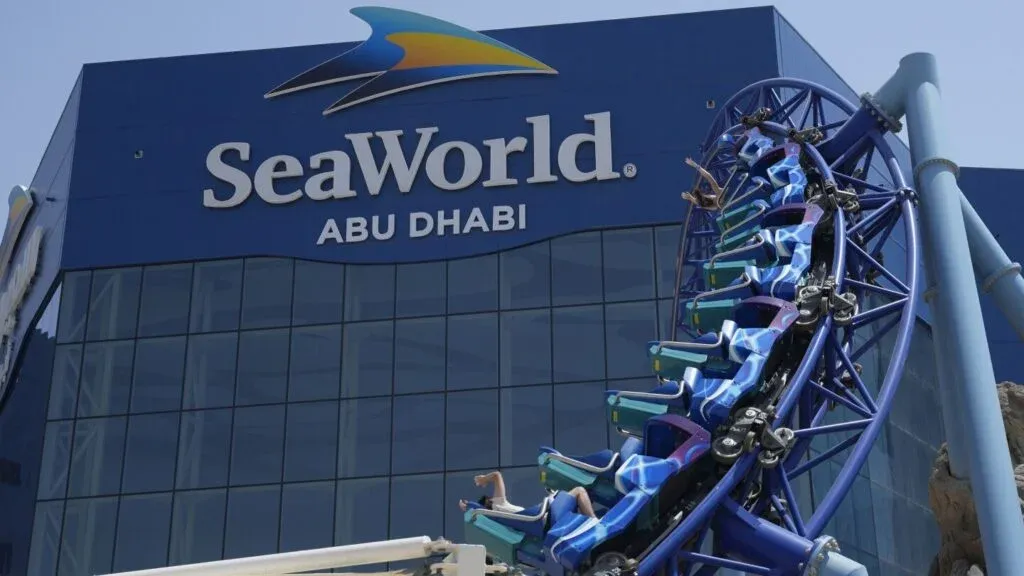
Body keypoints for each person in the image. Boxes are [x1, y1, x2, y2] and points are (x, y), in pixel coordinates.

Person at [459, 470, 597, 518]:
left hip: (544, 517)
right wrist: (483, 479)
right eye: (490, 497)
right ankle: (594, 521)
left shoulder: (501, 517)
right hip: (546, 515)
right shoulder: (498, 505)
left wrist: (469, 508)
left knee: (571, 500)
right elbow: (496, 475)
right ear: (489, 502)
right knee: (579, 491)